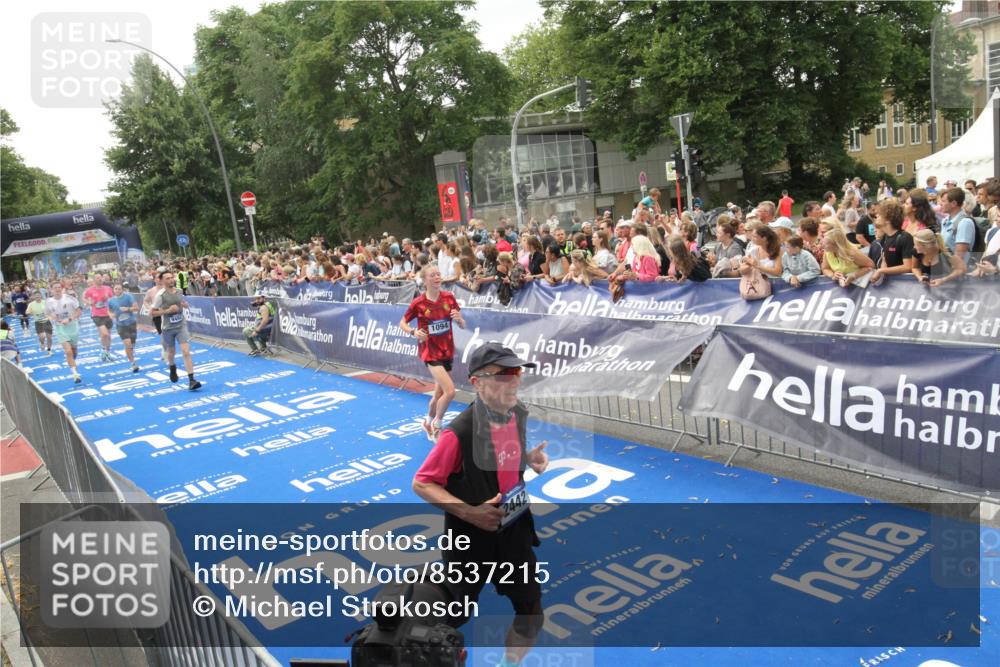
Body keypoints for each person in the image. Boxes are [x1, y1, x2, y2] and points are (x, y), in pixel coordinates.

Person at [412, 342, 548, 667]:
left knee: (531, 613)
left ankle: (508, 665)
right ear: (477, 382)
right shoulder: (458, 433)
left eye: (516, 372)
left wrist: (530, 458)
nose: (514, 381)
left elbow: (508, 454)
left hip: (513, 532)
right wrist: (470, 512)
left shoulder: (517, 413)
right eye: (503, 375)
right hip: (470, 543)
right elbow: (422, 482)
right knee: (446, 622)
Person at [400, 265, 466, 442]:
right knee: (450, 392)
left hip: (447, 350)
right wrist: (413, 332)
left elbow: (462, 323)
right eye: (433, 275)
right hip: (430, 352)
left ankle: (427, 421)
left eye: (439, 274)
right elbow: (402, 322)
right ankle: (438, 423)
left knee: (438, 395)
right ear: (425, 280)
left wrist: (459, 320)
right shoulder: (418, 303)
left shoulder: (449, 297)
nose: (437, 277)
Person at [150, 271, 202, 390]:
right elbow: (152, 312)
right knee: (171, 352)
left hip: (181, 326)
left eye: (171, 277)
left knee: (186, 351)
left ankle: (191, 380)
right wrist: (167, 311)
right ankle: (172, 367)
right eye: (167, 278)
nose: (171, 280)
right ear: (162, 281)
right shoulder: (160, 295)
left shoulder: (179, 291)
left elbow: (181, 302)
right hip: (168, 328)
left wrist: (184, 305)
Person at [869, 199, 915, 286]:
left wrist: (881, 271)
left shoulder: (905, 237)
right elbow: (885, 261)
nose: (876, 216)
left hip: (904, 286)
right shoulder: (885, 237)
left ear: (888, 220)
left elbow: (908, 267)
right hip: (891, 286)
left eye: (880, 214)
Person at [45, 281, 83, 384]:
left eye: (58, 287)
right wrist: (51, 317)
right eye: (55, 287)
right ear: (51, 290)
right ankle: (75, 373)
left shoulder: (69, 298)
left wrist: (69, 319)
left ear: (61, 289)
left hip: (73, 327)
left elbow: (79, 311)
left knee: (74, 351)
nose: (57, 289)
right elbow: (47, 313)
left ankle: (72, 362)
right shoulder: (49, 301)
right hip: (60, 328)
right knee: (68, 351)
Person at [938, 187, 977, 271]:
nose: (940, 204)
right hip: (945, 269)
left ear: (954, 203)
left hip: (958, 274)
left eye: (943, 201)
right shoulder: (945, 221)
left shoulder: (964, 223)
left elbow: (959, 256)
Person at [107, 282, 141, 373]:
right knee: (128, 344)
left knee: (132, 345)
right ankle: (133, 364)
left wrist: (128, 309)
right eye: (115, 289)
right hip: (121, 326)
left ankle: (130, 353)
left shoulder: (128, 296)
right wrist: (111, 315)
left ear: (122, 289)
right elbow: (109, 311)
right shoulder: (110, 300)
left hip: (131, 323)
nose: (117, 290)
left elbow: (136, 308)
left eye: (119, 289)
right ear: (113, 290)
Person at [83, 273, 115, 361]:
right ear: (94, 280)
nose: (99, 279)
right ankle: (103, 350)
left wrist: (108, 298)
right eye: (97, 278)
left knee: (108, 336)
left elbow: (113, 299)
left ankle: (107, 352)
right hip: (96, 315)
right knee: (105, 334)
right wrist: (89, 302)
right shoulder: (90, 290)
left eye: (100, 277)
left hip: (107, 314)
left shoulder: (107, 288)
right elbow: (84, 298)